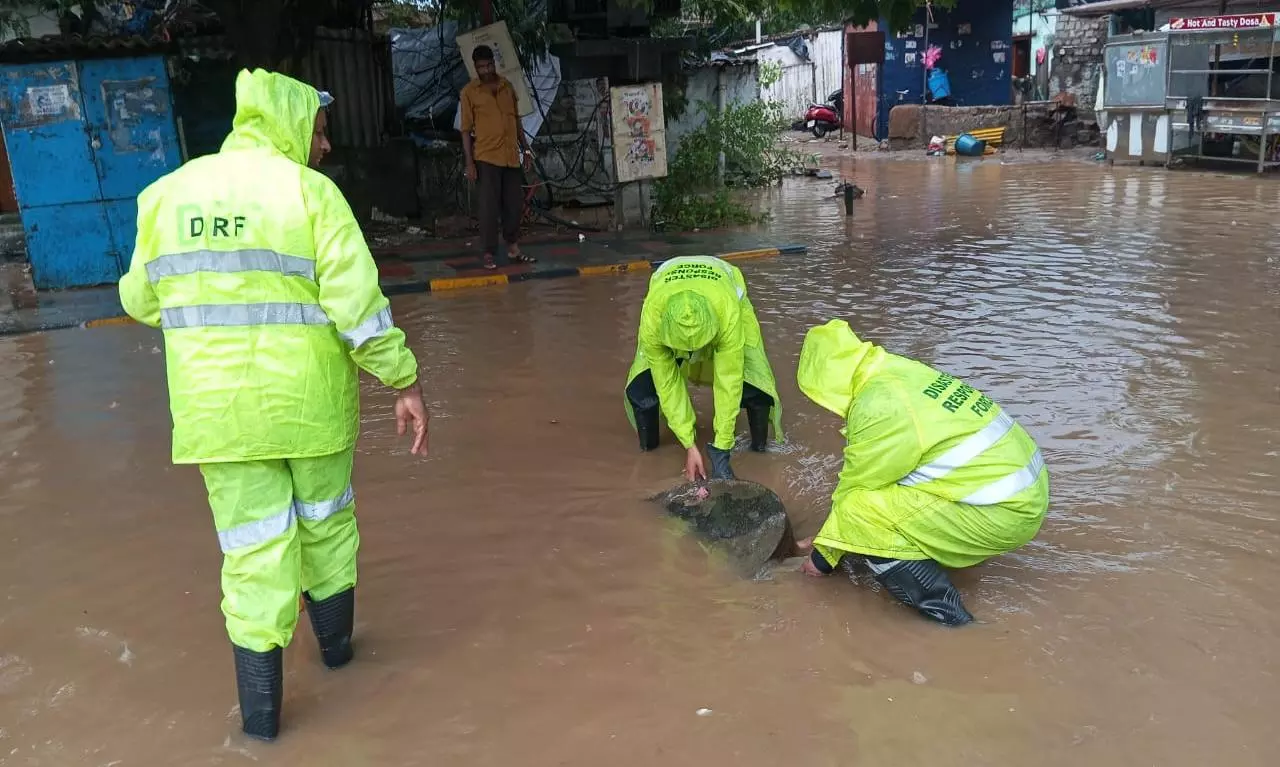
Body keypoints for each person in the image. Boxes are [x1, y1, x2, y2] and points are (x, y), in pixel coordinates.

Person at [118, 69, 430, 741]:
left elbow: (140, 300)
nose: (323, 146)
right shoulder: (311, 194)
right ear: (289, 124)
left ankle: (261, 731)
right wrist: (403, 383)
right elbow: (359, 311)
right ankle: (340, 660)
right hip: (310, 408)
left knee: (252, 557)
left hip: (219, 418)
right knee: (326, 528)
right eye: (318, 131)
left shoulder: (166, 196)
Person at [793, 319, 1048, 626]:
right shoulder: (900, 372)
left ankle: (952, 619)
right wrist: (829, 536)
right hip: (1022, 492)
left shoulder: (879, 404)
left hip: (1002, 511)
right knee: (876, 501)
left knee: (860, 514)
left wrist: (822, 559)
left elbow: (855, 492)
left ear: (825, 380)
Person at [624, 256, 783, 482]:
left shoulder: (727, 314)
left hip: (723, 292)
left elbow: (730, 380)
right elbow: (667, 384)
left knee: (753, 378)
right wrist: (689, 444)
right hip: (669, 282)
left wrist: (722, 448)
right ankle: (649, 446)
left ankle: (758, 446)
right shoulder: (653, 319)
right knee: (643, 385)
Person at [460, 44, 535, 271]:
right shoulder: (469, 93)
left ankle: (513, 248)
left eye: (488, 65)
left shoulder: (506, 86)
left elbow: (516, 121)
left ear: (494, 62)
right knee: (489, 209)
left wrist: (527, 149)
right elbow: (465, 130)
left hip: (511, 156)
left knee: (514, 204)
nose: (485, 70)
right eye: (481, 67)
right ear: (475, 67)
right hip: (486, 157)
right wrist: (469, 163)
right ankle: (488, 253)